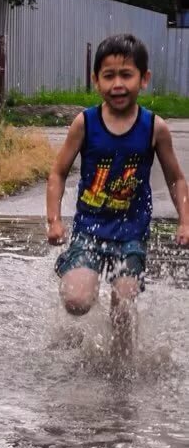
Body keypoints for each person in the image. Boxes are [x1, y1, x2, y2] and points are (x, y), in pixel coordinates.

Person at [46, 33, 189, 355]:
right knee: (77, 302)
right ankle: (79, 276)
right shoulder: (85, 123)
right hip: (90, 230)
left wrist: (185, 221)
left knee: (123, 306)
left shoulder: (155, 128)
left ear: (144, 79)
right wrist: (54, 220)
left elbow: (177, 179)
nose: (118, 84)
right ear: (96, 80)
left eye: (126, 75)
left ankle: (122, 369)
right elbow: (57, 172)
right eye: (109, 76)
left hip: (131, 235)